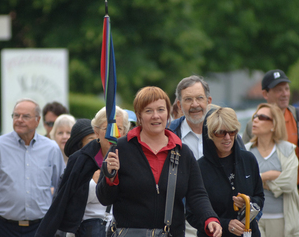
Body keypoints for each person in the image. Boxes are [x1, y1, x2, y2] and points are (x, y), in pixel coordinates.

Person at [96, 86, 222, 237]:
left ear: (168, 113)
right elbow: (104, 199)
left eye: (161, 110)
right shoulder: (120, 149)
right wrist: (110, 177)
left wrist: (210, 218)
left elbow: (197, 194)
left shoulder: (183, 152)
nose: (156, 116)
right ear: (139, 116)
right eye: (148, 111)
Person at [0, 98, 65, 237]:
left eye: (25, 116)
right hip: (2, 228)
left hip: (41, 228)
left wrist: (55, 223)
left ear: (37, 121)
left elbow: (61, 190)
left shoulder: (51, 149)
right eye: (16, 115)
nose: (19, 119)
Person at [242, 70, 299, 236]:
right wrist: (266, 178)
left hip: (297, 192)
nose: (284, 94)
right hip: (261, 197)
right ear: (265, 93)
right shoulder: (253, 124)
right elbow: (244, 161)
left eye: (286, 89)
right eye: (278, 90)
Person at [35, 107, 129, 237]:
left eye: (120, 128)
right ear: (96, 132)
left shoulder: (131, 158)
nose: (113, 133)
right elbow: (61, 201)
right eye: (107, 128)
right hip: (86, 230)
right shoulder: (80, 160)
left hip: (122, 229)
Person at [186, 107, 264, 237]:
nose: (227, 137)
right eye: (220, 133)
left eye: (232, 132)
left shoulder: (248, 159)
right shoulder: (199, 168)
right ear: (210, 134)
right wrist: (225, 224)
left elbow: (260, 197)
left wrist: (248, 203)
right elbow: (191, 214)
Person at [245, 103, 299, 237]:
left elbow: (289, 183)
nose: (255, 120)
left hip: (281, 219)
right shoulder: (246, 151)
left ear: (274, 125)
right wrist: (269, 175)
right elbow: (243, 184)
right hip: (252, 219)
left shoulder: (288, 149)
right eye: (255, 116)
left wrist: (258, 181)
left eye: (262, 117)